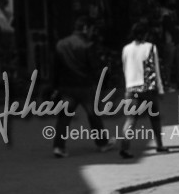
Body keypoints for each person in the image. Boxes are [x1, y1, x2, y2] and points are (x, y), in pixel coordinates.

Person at [49, 19, 111, 157]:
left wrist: (54, 87)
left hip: (67, 87)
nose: (91, 32)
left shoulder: (61, 44)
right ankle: (102, 143)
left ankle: (58, 147)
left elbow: (55, 68)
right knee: (93, 115)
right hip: (85, 87)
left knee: (64, 117)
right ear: (85, 28)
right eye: (90, 29)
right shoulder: (88, 45)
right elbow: (95, 67)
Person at [119, 19, 166, 158]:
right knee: (155, 118)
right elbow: (155, 69)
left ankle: (125, 148)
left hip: (131, 88)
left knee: (131, 119)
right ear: (145, 34)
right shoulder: (151, 47)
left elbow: (124, 67)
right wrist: (161, 88)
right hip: (147, 88)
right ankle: (159, 145)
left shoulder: (126, 49)